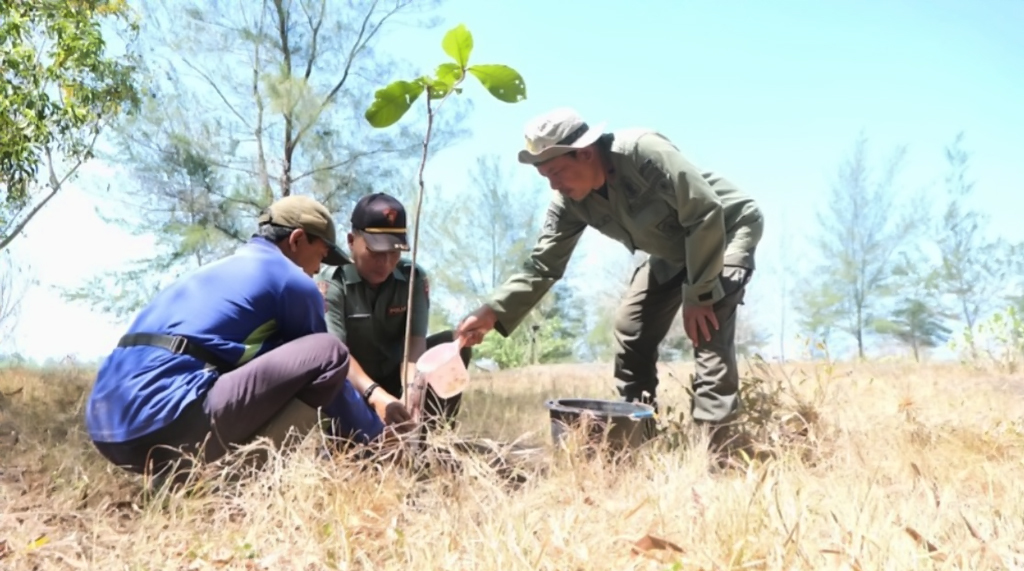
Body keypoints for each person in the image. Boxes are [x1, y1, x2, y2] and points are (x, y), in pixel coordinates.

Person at [455, 108, 764, 450]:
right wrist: (492, 311)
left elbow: (704, 212)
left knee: (708, 327)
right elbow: (543, 265)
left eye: (557, 171)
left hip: (724, 230)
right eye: (545, 177)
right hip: (673, 251)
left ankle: (717, 451)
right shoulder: (569, 202)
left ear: (585, 152)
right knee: (632, 328)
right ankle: (639, 441)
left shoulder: (643, 151)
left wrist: (700, 295)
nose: (554, 184)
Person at [85, 195, 411, 483]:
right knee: (329, 352)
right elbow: (331, 372)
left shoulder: (214, 273)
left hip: (107, 431)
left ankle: (179, 481)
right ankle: (236, 483)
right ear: (297, 240)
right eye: (321, 256)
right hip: (170, 421)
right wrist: (377, 439)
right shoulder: (291, 282)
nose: (317, 270)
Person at [317, 192, 472, 437]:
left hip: (397, 379)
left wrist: (411, 392)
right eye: (376, 252)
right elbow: (336, 355)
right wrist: (375, 395)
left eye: (394, 252)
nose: (386, 262)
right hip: (354, 385)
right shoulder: (333, 283)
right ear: (350, 241)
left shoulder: (413, 278)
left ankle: (428, 440)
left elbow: (415, 344)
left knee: (452, 345)